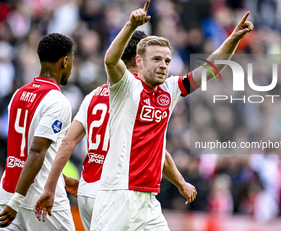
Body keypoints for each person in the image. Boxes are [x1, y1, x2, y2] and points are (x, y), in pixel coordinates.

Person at [90, 0, 253, 230]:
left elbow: (211, 69)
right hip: (118, 193)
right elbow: (110, 60)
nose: (163, 65)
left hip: (148, 198)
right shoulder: (125, 86)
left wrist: (233, 39)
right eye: (156, 59)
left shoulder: (170, 89)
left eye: (167, 60)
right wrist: (130, 26)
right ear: (139, 61)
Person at [34, 30, 197, 230]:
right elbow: (156, 151)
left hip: (87, 188)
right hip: (116, 191)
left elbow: (68, 142)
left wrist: (51, 186)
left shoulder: (94, 95)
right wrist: (181, 183)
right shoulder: (133, 94)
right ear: (140, 59)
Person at [0, 33, 77, 230]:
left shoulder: (18, 93)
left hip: (8, 191)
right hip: (39, 198)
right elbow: (36, 151)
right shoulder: (57, 101)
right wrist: (18, 200)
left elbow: (20, 148)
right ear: (65, 61)